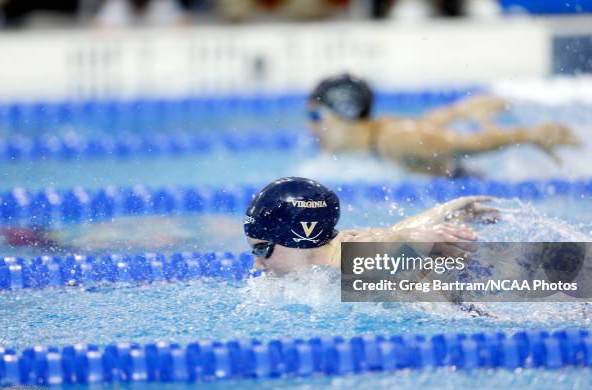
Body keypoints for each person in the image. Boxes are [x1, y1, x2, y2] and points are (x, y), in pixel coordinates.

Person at [307, 73, 580, 177]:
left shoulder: (395, 140)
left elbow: (463, 144)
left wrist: (529, 134)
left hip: (467, 183)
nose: (312, 129)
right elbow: (427, 126)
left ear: (343, 112)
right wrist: (457, 111)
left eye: (315, 117)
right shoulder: (379, 134)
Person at [244, 176, 497, 275]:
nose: (257, 263)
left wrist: (422, 238)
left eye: (262, 249)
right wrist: (441, 212)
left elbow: (386, 246)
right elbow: (392, 233)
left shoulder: (344, 262)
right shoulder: (335, 248)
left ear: (299, 238)